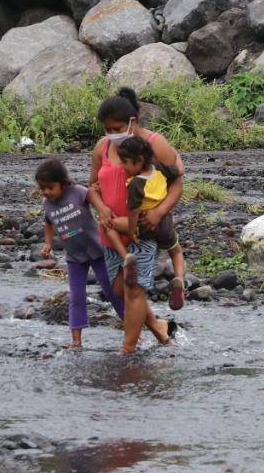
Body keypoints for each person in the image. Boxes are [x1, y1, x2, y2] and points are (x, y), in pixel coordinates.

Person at [87, 87, 182, 353]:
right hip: (111, 231)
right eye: (108, 129)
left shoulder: (154, 143)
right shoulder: (102, 147)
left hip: (142, 229)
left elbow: (176, 185)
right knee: (118, 289)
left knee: (134, 289)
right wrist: (102, 208)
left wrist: (159, 211)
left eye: (117, 128)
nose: (112, 134)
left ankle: (127, 350)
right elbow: (92, 186)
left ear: (132, 121)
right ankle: (159, 327)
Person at [36, 157, 126, 348]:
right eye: (42, 187)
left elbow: (94, 198)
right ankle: (76, 341)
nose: (46, 192)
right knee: (76, 296)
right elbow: (49, 222)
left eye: (50, 187)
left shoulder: (77, 192)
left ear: (63, 182)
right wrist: (48, 243)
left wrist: (103, 210)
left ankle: (132, 330)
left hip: (98, 251)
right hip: (75, 257)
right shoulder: (48, 203)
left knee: (112, 292)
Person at [116, 135, 184, 293]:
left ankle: (127, 258)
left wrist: (132, 230)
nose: (122, 166)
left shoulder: (136, 183)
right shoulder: (159, 168)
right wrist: (176, 154)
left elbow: (133, 210)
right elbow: (180, 170)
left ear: (139, 161)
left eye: (125, 162)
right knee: (176, 251)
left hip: (144, 225)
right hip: (164, 222)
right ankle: (179, 279)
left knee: (109, 225)